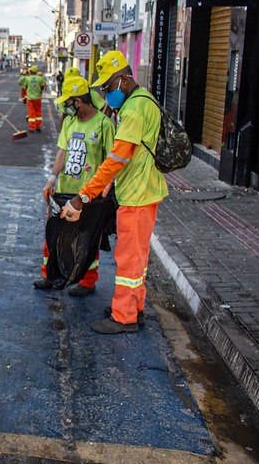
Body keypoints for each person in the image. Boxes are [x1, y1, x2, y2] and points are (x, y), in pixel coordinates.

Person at [61, 51, 169, 334]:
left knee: (129, 258)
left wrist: (83, 195)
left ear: (123, 79)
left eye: (107, 87)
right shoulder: (142, 101)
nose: (106, 93)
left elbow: (117, 158)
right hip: (142, 191)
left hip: (138, 194)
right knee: (138, 258)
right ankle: (135, 307)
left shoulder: (134, 109)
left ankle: (124, 317)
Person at [34, 76, 115, 296]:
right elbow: (62, 151)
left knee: (87, 238)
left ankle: (87, 281)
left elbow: (111, 160)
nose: (65, 107)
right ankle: (49, 274)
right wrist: (52, 178)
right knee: (53, 234)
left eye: (68, 102)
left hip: (89, 195)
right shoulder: (69, 122)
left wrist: (106, 188)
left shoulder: (104, 124)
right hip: (63, 191)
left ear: (78, 101)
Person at [24, 65, 46, 132]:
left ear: (30, 71)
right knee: (38, 112)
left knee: (31, 112)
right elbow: (42, 87)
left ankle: (32, 127)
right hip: (38, 97)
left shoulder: (27, 78)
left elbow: (25, 87)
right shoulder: (40, 78)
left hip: (30, 98)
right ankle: (38, 126)